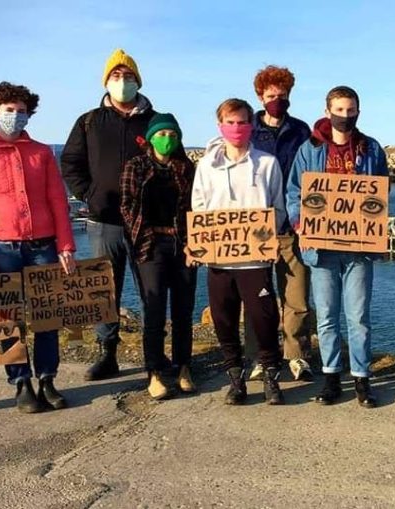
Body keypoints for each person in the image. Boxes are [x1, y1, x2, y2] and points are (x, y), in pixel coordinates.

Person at [61, 48, 182, 381]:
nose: (122, 81)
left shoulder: (156, 120)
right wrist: (88, 193)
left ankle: (154, 356)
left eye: (128, 76)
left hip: (148, 225)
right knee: (105, 290)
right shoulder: (89, 121)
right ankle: (107, 353)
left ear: (138, 80)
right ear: (106, 81)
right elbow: (71, 162)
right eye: (116, 76)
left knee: (151, 291)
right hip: (104, 220)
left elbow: (176, 163)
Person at [0, 82, 77, 413]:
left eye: (22, 111)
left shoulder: (42, 152)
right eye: (9, 110)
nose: (16, 116)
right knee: (6, 318)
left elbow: (58, 201)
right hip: (1, 247)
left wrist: (66, 245)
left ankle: (47, 380)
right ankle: (20, 383)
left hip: (43, 245)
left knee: (47, 316)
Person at [286, 86, 389, 408]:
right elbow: (294, 193)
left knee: (358, 317)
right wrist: (300, 223)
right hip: (321, 250)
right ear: (327, 109)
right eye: (340, 110)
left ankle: (361, 378)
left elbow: (379, 194)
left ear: (358, 110)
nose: (345, 116)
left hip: (358, 249)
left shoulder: (371, 149)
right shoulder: (309, 149)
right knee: (327, 317)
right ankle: (331, 377)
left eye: (351, 110)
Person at [191, 98, 287, 405]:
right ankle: (236, 378)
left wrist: (265, 236)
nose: (236, 128)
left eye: (242, 122)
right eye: (230, 122)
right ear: (220, 125)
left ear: (251, 125)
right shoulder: (206, 166)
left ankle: (271, 376)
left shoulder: (268, 163)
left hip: (255, 259)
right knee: (223, 319)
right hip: (219, 259)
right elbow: (199, 207)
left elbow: (278, 208)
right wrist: (203, 244)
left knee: (264, 318)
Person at [120, 113, 197, 400]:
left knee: (183, 310)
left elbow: (195, 206)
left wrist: (193, 242)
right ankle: (153, 371)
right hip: (150, 245)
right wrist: (144, 237)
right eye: (162, 134)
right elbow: (126, 206)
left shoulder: (185, 167)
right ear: (151, 138)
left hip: (182, 244)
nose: (168, 139)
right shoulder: (136, 166)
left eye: (173, 135)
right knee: (153, 310)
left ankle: (183, 366)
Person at [247, 65, 314, 383]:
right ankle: (261, 356)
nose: (277, 100)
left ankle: (296, 355)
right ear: (260, 96)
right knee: (257, 298)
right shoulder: (248, 131)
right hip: (255, 229)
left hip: (292, 227)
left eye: (283, 96)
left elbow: (313, 176)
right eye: (272, 95)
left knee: (297, 297)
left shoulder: (302, 131)